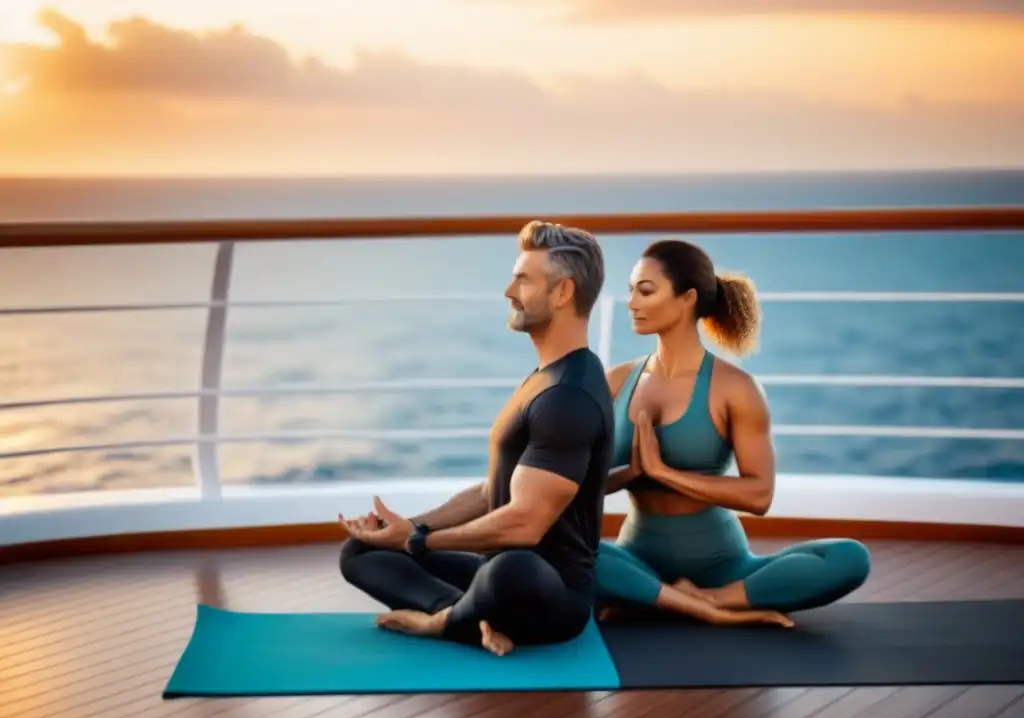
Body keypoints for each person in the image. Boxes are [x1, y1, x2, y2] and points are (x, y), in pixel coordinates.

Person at [339, 220, 614, 656]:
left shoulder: (569, 396)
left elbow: (524, 523)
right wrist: (414, 527)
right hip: (494, 577)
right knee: (360, 552)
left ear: (562, 293)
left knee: (512, 569)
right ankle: (469, 617)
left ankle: (442, 624)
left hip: (551, 596)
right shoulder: (546, 378)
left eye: (523, 279)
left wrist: (417, 543)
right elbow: (494, 491)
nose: (509, 291)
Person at [595, 239, 871, 626]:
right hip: (637, 559)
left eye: (646, 291)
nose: (631, 303)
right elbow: (578, 485)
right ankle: (664, 597)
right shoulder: (615, 382)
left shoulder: (735, 388)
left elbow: (759, 494)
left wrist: (664, 473)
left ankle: (704, 599)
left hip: (724, 566)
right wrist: (634, 473)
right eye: (630, 291)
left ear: (687, 298)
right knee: (544, 542)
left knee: (849, 558)